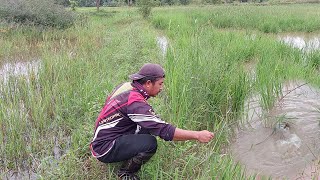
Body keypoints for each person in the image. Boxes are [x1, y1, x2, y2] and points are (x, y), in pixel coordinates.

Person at [90, 63, 214, 180]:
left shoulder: (127, 87)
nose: (162, 88)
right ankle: (125, 172)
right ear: (148, 83)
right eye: (160, 84)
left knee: (146, 128)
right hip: (103, 148)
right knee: (150, 143)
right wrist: (197, 135)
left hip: (103, 136)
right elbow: (165, 131)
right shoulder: (135, 103)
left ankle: (124, 150)